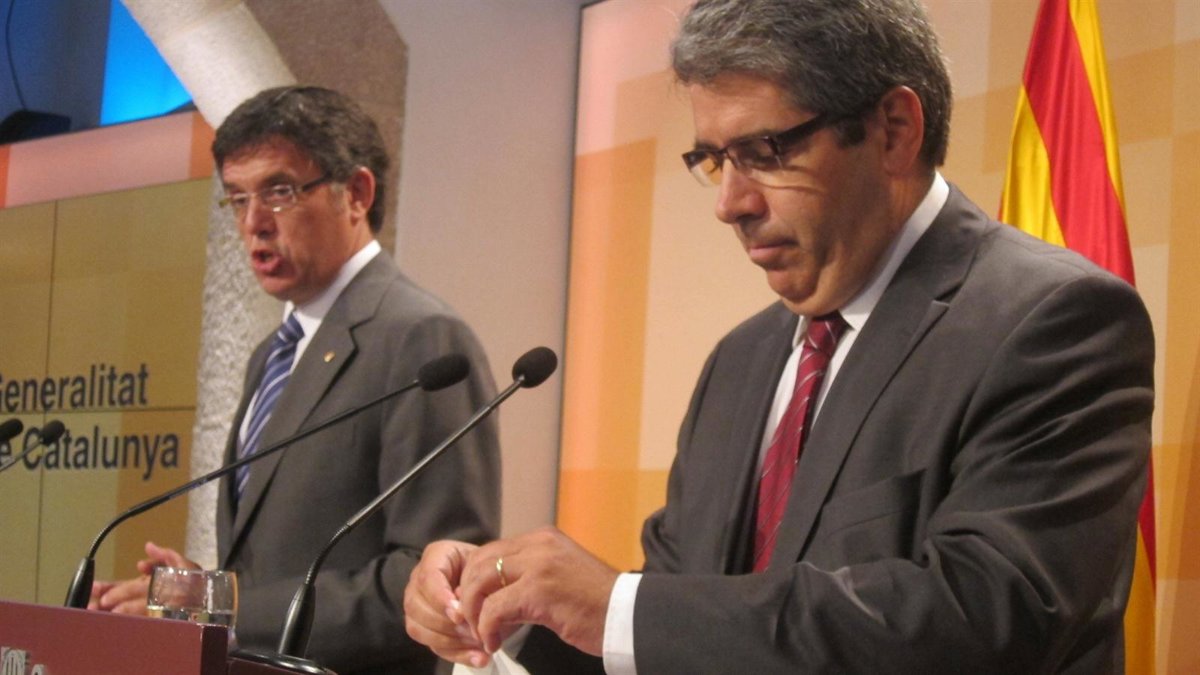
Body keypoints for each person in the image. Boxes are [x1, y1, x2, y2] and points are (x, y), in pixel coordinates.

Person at [403, 0, 1154, 673]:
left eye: (765, 152)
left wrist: (620, 608)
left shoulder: (1052, 319)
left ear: (894, 131)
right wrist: (514, 613)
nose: (730, 203)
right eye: (714, 160)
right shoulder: (741, 359)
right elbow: (687, 622)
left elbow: (988, 617)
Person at [89, 86, 501, 675]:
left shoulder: (421, 340)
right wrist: (201, 593)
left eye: (279, 192)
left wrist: (225, 607)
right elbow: (277, 567)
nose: (253, 223)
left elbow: (433, 578)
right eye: (237, 198)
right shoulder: (273, 354)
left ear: (356, 194)